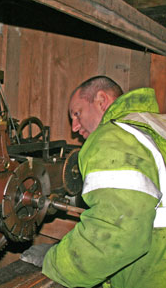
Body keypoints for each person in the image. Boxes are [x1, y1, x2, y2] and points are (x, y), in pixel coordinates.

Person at [41, 76, 166, 288]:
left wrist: (56, 265)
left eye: (77, 113)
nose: (74, 127)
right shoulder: (154, 126)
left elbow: (119, 230)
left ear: (101, 100)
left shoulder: (113, 137)